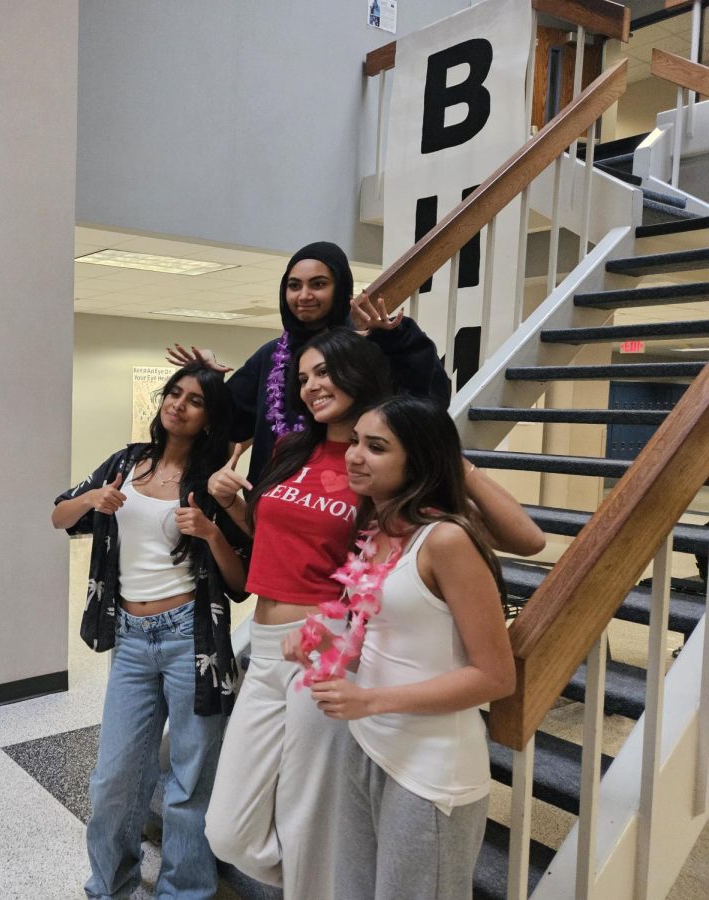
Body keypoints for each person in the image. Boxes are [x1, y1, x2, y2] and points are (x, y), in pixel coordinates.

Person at [202, 328, 542, 898]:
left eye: (324, 373)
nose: (311, 386)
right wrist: (236, 509)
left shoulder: (389, 467)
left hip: (334, 642)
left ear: (359, 373)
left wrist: (453, 460)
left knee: (313, 824)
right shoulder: (297, 449)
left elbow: (522, 541)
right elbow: (283, 541)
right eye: (303, 376)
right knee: (232, 831)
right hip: (270, 642)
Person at [52, 362, 251, 900]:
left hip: (193, 639)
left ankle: (184, 890)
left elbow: (242, 581)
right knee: (115, 778)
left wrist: (211, 532)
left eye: (194, 400)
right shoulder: (126, 462)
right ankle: (110, 884)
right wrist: (93, 500)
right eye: (174, 393)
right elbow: (59, 515)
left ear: (209, 419)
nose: (178, 404)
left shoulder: (212, 482)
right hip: (133, 640)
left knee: (191, 780)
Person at [307, 394, 517, 900]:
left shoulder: (446, 540)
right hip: (368, 745)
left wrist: (370, 699)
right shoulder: (377, 531)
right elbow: (389, 637)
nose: (355, 455)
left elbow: (495, 676)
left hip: (430, 770)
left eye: (376, 447)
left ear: (418, 461)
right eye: (355, 441)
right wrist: (328, 642)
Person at [168, 240, 451, 487]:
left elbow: (427, 403)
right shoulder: (271, 356)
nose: (304, 296)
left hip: (345, 502)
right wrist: (207, 375)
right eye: (294, 285)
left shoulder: (367, 350)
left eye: (318, 284)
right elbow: (229, 420)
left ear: (340, 290)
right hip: (273, 502)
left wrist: (397, 339)